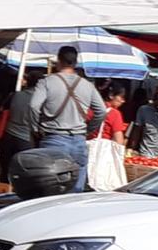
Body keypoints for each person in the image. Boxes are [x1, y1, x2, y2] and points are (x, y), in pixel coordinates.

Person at [29, 46, 106, 193]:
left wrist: (35, 129)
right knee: (75, 192)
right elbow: (101, 111)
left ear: (59, 61)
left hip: (53, 139)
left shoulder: (47, 82)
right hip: (79, 141)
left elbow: (33, 106)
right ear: (75, 63)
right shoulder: (87, 85)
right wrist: (88, 130)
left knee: (50, 190)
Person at [0, 71, 43, 172]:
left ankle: (4, 187)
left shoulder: (15, 95)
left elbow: (2, 110)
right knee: (24, 171)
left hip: (8, 136)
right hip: (27, 140)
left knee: (6, 170)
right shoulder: (41, 100)